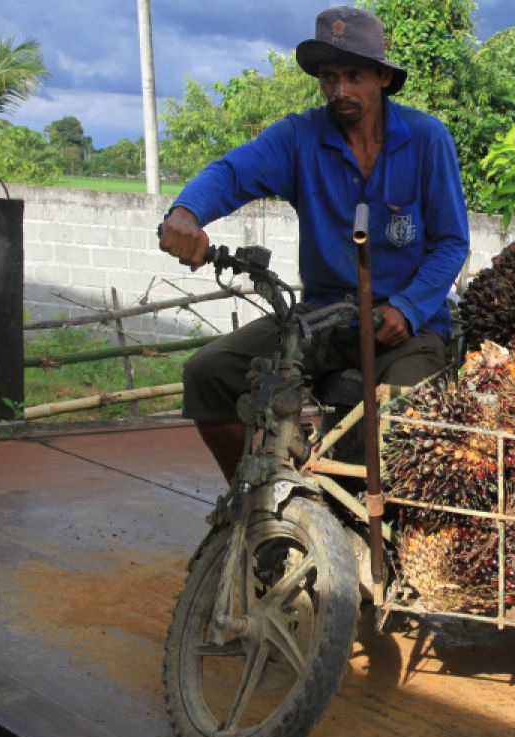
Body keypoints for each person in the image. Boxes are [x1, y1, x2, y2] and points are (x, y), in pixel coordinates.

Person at [158, 6, 469, 484]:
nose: (340, 91)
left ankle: (391, 534)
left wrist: (406, 307)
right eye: (329, 77)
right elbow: (233, 172)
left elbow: (451, 243)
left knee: (405, 418)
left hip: (407, 327)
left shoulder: (427, 140)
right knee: (208, 373)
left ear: (383, 77)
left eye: (354, 76)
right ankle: (253, 501)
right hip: (324, 319)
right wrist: (186, 213)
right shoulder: (300, 137)